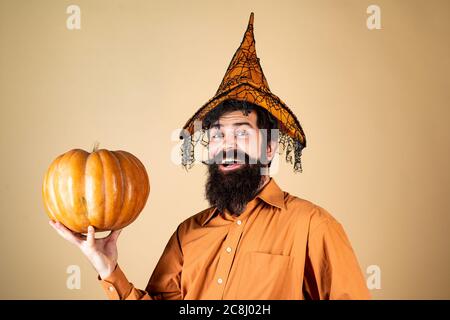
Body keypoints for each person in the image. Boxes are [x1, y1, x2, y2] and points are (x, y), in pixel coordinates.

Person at [50, 13, 370, 300]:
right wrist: (108, 269)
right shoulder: (187, 235)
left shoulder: (312, 226)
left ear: (269, 147)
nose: (227, 144)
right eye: (217, 134)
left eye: (242, 132)